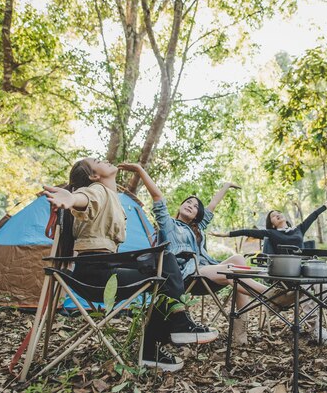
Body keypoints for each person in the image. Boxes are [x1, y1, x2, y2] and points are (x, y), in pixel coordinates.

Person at [42, 158, 218, 373]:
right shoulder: (97, 190)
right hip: (97, 276)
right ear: (94, 176)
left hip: (96, 271)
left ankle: (165, 337)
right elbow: (85, 198)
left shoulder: (112, 197)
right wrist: (71, 198)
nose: (104, 160)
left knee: (165, 268)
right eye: (97, 161)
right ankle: (165, 335)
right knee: (166, 263)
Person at [120, 163, 292, 345]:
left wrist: (226, 186)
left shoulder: (198, 228)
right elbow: (157, 197)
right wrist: (140, 170)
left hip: (205, 272)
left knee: (238, 259)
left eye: (195, 206)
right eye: (187, 202)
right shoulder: (169, 225)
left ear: (197, 215)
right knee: (230, 269)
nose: (190, 205)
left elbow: (212, 206)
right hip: (185, 276)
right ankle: (272, 296)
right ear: (179, 207)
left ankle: (241, 332)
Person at [211, 195, 327, 346]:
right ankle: (318, 332)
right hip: (285, 278)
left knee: (319, 281)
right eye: (273, 216)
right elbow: (247, 231)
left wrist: (326, 204)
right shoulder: (273, 234)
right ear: (273, 224)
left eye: (278, 213)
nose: (277, 215)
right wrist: (226, 234)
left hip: (304, 272)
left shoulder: (299, 229)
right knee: (307, 285)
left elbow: (313, 215)